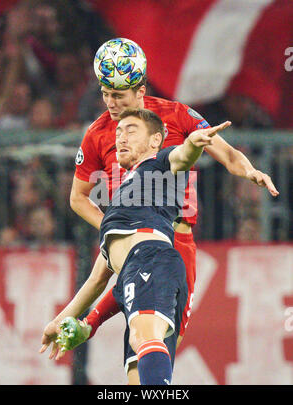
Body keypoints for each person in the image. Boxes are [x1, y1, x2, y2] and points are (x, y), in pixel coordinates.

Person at [40, 39, 279, 385]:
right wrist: (112, 229)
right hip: (136, 240)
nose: (111, 103)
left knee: (155, 343)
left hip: (174, 240)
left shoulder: (172, 118)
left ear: (140, 89)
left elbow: (217, 152)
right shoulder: (96, 134)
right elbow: (78, 198)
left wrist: (249, 170)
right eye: (106, 93)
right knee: (139, 363)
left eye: (119, 95)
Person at [42, 108, 231, 384]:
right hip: (140, 269)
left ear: (156, 140)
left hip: (152, 261)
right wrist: (60, 320)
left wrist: (192, 144)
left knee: (144, 336)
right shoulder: (122, 203)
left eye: (131, 131)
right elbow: (97, 281)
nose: (121, 137)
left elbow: (180, 157)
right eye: (118, 132)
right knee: (135, 375)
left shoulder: (156, 164)